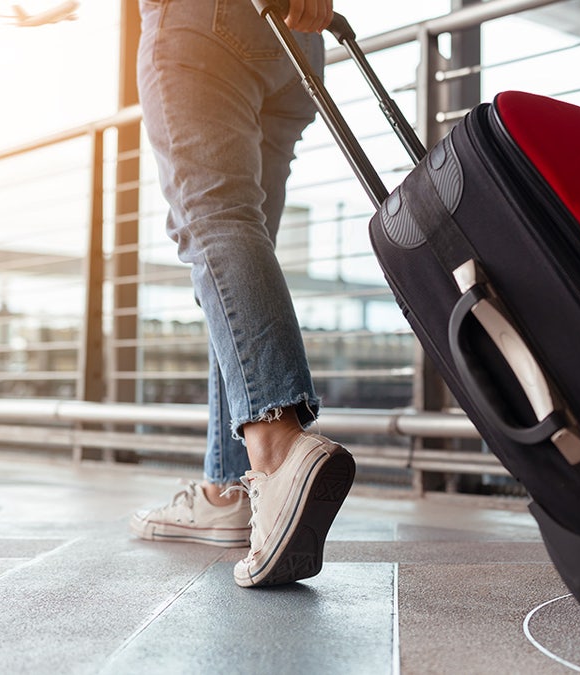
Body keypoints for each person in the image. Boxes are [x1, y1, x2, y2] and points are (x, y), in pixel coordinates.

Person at [129, 0, 355, 589]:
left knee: (215, 224)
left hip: (203, 20)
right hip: (292, 41)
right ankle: (229, 490)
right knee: (235, 256)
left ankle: (277, 450)